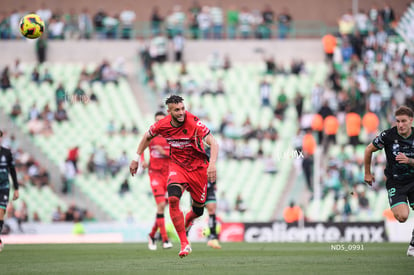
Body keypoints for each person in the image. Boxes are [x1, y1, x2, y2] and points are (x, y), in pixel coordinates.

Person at [130, 95, 218, 258]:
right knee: (172, 199)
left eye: (183, 108)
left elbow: (213, 142)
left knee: (198, 211)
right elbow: (146, 137)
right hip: (177, 167)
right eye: (177, 110)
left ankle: (187, 220)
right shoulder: (162, 125)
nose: (181, 112)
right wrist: (136, 158)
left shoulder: (193, 122)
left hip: (198, 169)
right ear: (169, 111)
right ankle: (185, 243)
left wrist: (212, 163)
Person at [364, 106, 414, 257]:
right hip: (396, 183)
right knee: (402, 217)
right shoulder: (388, 135)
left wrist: (409, 161)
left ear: (411, 121)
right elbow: (368, 150)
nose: (400, 124)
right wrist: (367, 173)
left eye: (404, 121)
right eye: (398, 121)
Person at [140, 111, 173, 250]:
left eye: (161, 120)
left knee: (162, 207)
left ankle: (152, 235)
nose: (159, 123)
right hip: (155, 174)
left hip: (168, 175)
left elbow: (176, 155)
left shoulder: (171, 137)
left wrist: (163, 152)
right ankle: (165, 240)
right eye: (157, 120)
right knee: (160, 205)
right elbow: (141, 148)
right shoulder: (150, 136)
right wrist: (142, 161)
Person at [0, 130, 20, 252]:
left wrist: (16, 188)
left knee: (1, 211)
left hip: (4, 186)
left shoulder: (7, 153)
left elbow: (12, 171)